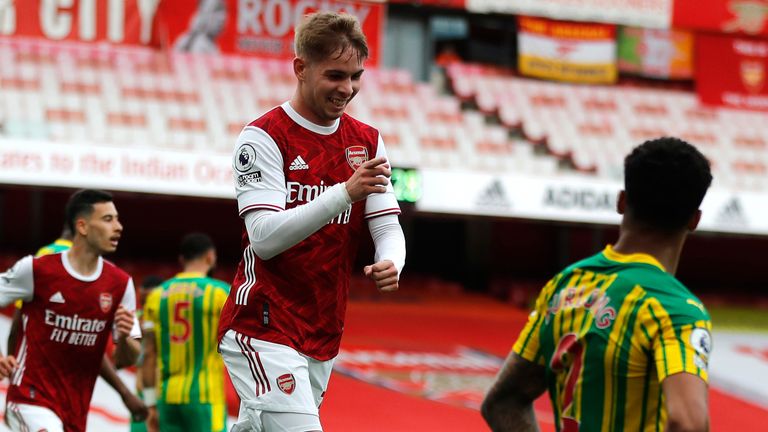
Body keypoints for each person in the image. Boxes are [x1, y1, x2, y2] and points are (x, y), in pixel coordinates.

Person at [217, 11, 406, 432]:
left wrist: (393, 260)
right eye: (336, 75)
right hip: (263, 322)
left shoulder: (367, 140)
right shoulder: (264, 136)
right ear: (301, 68)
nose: (348, 89)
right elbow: (264, 238)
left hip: (323, 328)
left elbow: (386, 225)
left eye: (356, 76)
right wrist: (344, 193)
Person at [482, 137, 713, 432]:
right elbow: (689, 423)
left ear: (621, 201)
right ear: (694, 220)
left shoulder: (564, 286)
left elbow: (501, 402)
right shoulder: (675, 310)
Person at [0, 189, 142, 432]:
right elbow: (17, 323)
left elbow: (125, 359)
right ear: (83, 226)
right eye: (108, 219)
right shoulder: (36, 270)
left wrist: (127, 337)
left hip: (75, 409)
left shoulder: (120, 284)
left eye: (117, 219)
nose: (118, 227)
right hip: (29, 399)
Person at [142, 233, 230, 432]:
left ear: (182, 260)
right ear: (210, 257)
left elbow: (148, 354)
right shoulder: (220, 293)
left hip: (168, 398)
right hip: (205, 395)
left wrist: (150, 404)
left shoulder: (157, 295)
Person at [130, 274, 165, 432]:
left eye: (151, 302)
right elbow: (121, 359)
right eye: (144, 302)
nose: (146, 307)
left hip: (166, 393)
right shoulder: (135, 320)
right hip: (141, 393)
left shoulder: (170, 321)